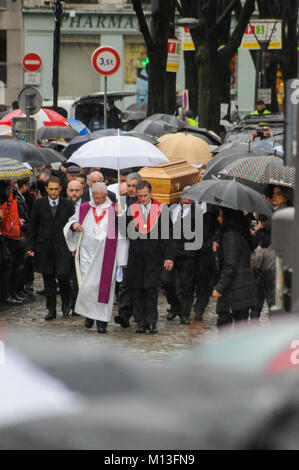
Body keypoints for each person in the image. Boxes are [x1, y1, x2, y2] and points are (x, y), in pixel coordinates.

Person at [63, 182, 128, 334]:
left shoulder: (114, 208)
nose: (97, 200)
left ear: (105, 196)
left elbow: (125, 231)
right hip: (87, 254)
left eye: (100, 198)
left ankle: (101, 321)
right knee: (87, 286)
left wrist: (121, 214)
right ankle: (88, 314)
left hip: (106, 255)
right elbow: (71, 221)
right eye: (95, 197)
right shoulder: (85, 207)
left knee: (103, 288)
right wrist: (74, 225)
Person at [125, 180, 174, 334]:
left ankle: (152, 322)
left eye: (145, 195)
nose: (143, 199)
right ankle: (140, 322)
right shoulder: (132, 209)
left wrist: (169, 257)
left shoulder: (161, 209)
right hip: (136, 256)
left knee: (151, 291)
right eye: (140, 196)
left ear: (151, 193)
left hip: (154, 256)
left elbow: (169, 235)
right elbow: (125, 232)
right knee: (137, 290)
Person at [27, 176, 75, 320]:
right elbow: (33, 226)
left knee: (63, 276)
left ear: (60, 189)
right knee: (48, 280)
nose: (53, 192)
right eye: (51, 189)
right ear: (46, 189)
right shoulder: (39, 204)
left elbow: (72, 225)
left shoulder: (67, 204)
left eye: (56, 189)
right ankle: (51, 309)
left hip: (63, 247)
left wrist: (74, 246)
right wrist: (31, 246)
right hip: (45, 247)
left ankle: (66, 301)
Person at [212, 208, 256, 328]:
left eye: (220, 215)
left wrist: (219, 288)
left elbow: (230, 265)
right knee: (241, 327)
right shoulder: (241, 232)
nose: (218, 218)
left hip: (233, 289)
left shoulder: (229, 235)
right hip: (244, 286)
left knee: (224, 325)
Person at [114, 172, 142, 328]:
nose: (131, 189)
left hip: (138, 247)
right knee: (124, 283)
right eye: (129, 186)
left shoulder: (143, 202)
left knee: (137, 283)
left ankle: (138, 315)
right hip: (124, 246)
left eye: (134, 186)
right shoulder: (121, 201)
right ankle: (123, 314)